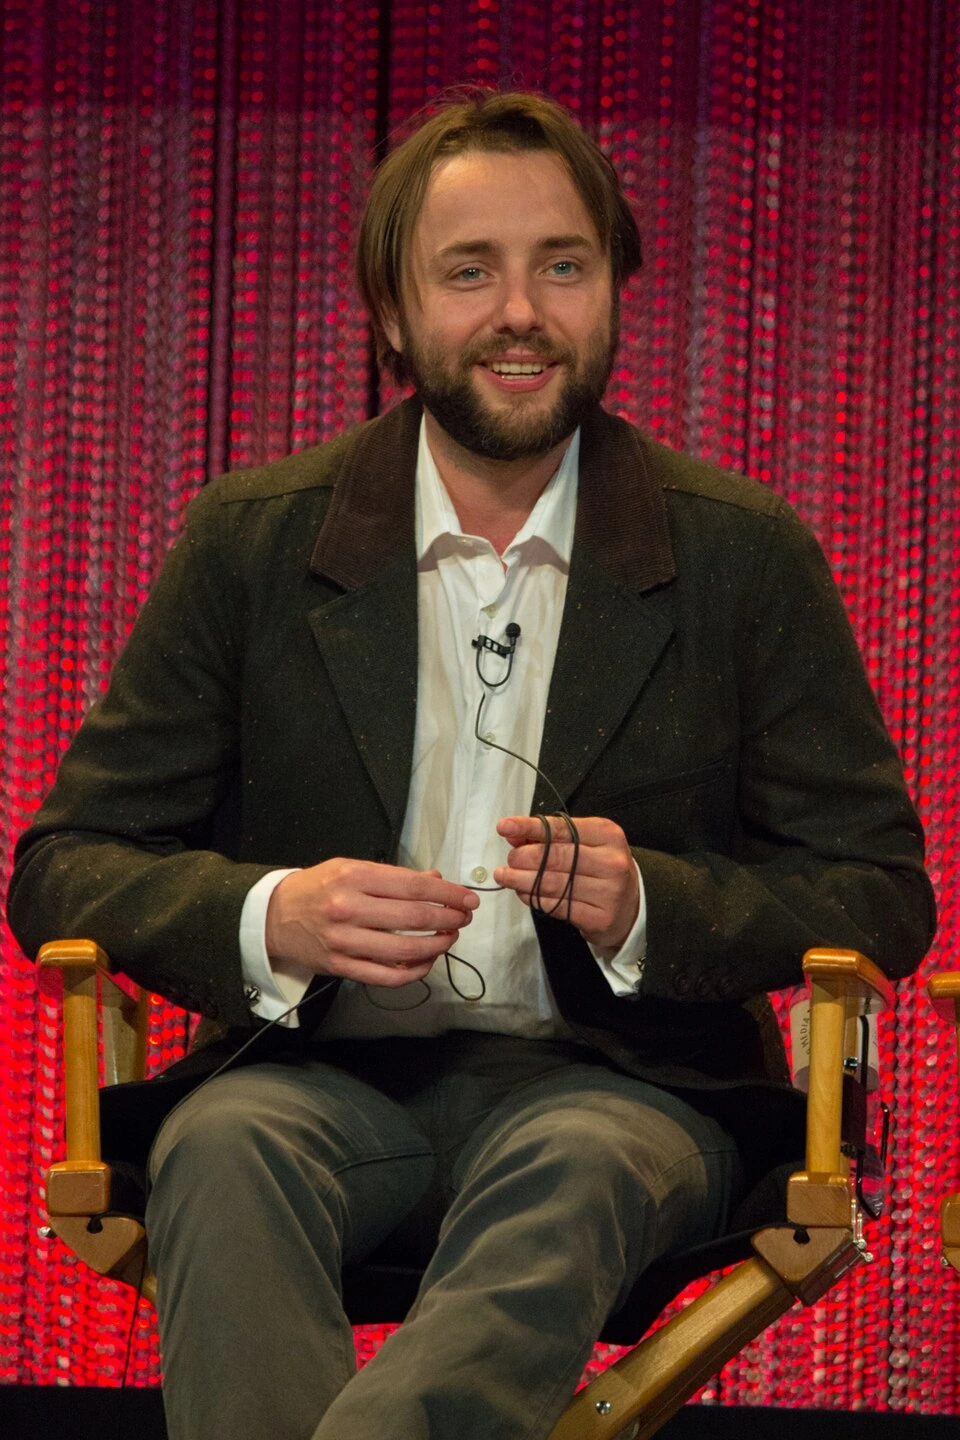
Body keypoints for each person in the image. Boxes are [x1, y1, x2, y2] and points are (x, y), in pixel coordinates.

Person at [8, 90, 935, 1440]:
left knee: (573, 1168)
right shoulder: (254, 540)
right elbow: (64, 867)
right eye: (469, 272)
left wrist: (653, 908)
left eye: (562, 265)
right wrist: (280, 915)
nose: (520, 312)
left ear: (615, 288)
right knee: (221, 1150)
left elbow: (877, 892)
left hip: (622, 1090)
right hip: (309, 1083)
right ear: (393, 313)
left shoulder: (741, 554)